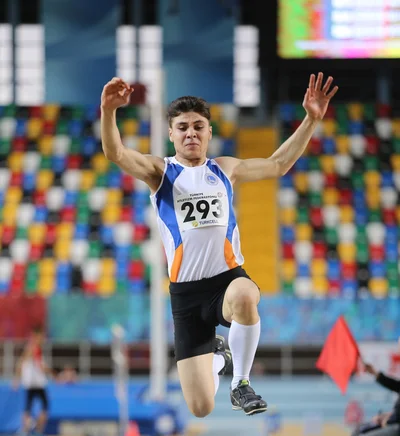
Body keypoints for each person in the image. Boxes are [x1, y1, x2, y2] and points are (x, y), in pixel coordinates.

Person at [100, 72, 338, 418]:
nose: (191, 133)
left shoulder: (225, 170)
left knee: (245, 294)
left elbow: (278, 164)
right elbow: (116, 152)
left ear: (210, 132)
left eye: (198, 126)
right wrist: (109, 111)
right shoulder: (160, 173)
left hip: (226, 281)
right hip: (185, 296)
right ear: (171, 134)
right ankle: (218, 358)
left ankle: (240, 382)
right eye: (182, 127)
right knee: (200, 407)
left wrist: (311, 119)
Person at [14, 326, 53, 436]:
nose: (43, 339)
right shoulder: (34, 348)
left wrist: (17, 379)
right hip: (35, 383)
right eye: (41, 336)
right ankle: (33, 431)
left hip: (34, 383)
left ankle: (29, 431)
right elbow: (36, 365)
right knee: (40, 406)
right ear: (36, 336)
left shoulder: (33, 348)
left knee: (30, 407)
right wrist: (53, 373)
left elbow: (22, 363)